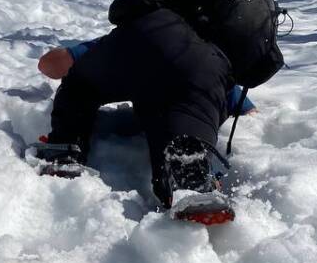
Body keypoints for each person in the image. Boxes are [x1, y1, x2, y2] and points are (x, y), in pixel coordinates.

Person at [33, 17, 255, 220]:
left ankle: (64, 151)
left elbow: (50, 65)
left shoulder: (138, 33)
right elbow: (243, 107)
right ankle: (188, 180)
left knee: (78, 83)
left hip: (135, 63)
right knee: (177, 121)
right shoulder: (208, 55)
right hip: (185, 95)